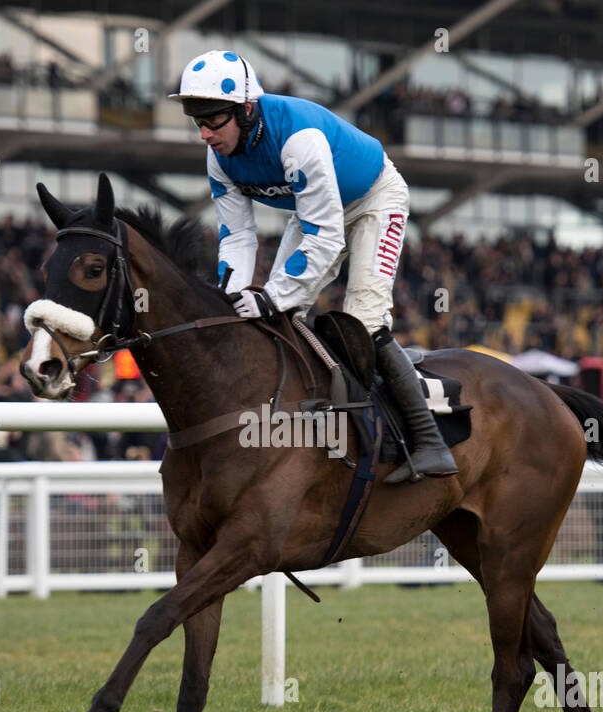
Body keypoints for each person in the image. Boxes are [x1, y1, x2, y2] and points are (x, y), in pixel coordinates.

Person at [169, 50, 457, 483]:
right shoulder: (219, 157)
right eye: (198, 121)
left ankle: (430, 441)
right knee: (280, 317)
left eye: (213, 120)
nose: (205, 134)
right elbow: (237, 237)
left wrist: (269, 296)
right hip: (319, 211)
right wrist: (232, 296)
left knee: (364, 321)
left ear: (246, 110)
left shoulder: (297, 139)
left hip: (375, 199)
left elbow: (326, 237)